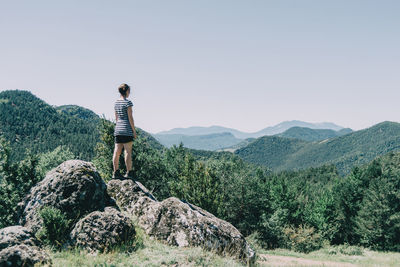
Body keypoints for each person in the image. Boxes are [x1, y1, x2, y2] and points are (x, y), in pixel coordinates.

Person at [113, 83, 137, 179]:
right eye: (129, 91)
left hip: (118, 129)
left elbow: (116, 118)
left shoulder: (116, 103)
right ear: (126, 91)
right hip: (126, 129)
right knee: (127, 151)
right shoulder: (128, 103)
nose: (129, 93)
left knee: (116, 151)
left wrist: (118, 126)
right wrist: (134, 131)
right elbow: (130, 117)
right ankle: (129, 172)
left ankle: (115, 172)